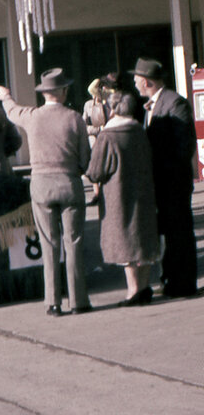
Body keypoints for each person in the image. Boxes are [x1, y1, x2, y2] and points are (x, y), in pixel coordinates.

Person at [0, 68, 92, 316]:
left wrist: (5, 96)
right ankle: (79, 301)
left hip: (41, 185)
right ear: (63, 91)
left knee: (49, 243)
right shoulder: (75, 118)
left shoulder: (32, 116)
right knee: (73, 242)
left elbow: (12, 111)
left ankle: (53, 302)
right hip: (69, 182)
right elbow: (86, 159)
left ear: (43, 93)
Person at [130, 57, 198, 298]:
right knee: (169, 232)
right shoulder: (152, 105)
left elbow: (184, 145)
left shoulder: (174, 103)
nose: (135, 84)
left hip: (173, 182)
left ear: (147, 82)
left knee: (179, 232)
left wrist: (168, 173)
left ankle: (184, 283)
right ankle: (171, 279)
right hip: (159, 182)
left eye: (137, 80)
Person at [85, 92, 159, 306]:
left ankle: (133, 291)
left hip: (118, 197)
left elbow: (95, 172)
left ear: (112, 110)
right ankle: (144, 287)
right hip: (144, 194)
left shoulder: (108, 136)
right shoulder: (140, 131)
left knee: (126, 242)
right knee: (143, 239)